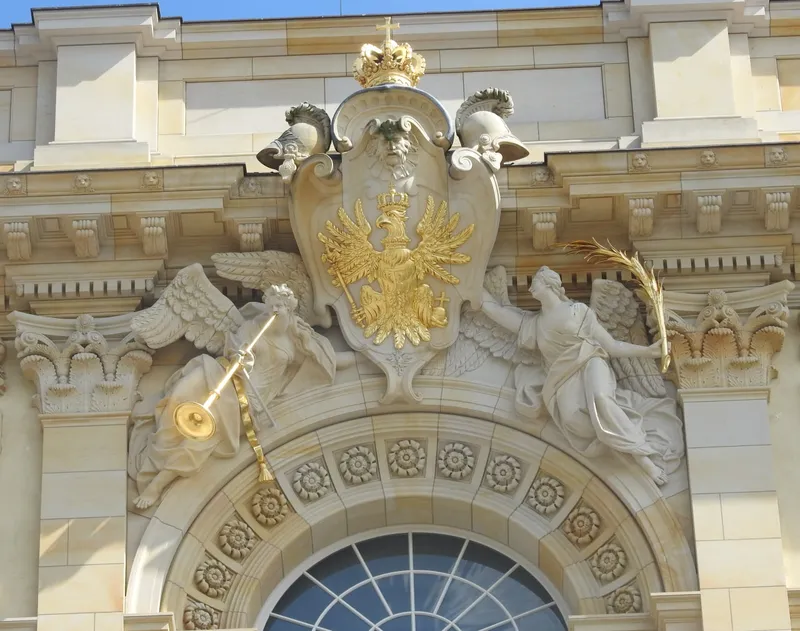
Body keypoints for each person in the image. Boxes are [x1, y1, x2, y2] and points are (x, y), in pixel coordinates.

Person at [479, 266, 682, 485]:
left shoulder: (578, 311)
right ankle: (620, 432)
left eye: (535, 282)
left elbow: (611, 345)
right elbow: (495, 311)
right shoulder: (533, 324)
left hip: (590, 361)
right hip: (562, 377)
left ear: (549, 284)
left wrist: (647, 351)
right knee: (575, 421)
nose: (529, 287)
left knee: (601, 400)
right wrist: (469, 284)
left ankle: (644, 461)